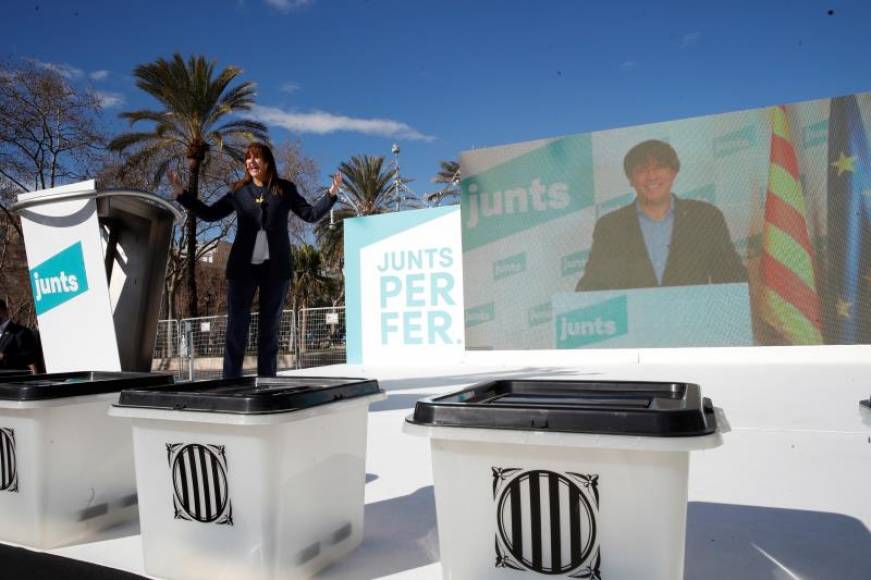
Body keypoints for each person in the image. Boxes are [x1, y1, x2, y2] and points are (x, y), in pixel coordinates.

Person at [169, 142, 340, 378]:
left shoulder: (285, 189)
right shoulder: (238, 191)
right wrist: (182, 195)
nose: (251, 162)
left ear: (268, 162)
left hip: (276, 268)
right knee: (236, 328)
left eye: (256, 158)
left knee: (269, 330)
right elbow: (209, 214)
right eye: (247, 159)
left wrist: (330, 196)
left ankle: (267, 382)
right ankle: (231, 382)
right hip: (243, 267)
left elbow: (310, 215)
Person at [576, 139, 746, 291]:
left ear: (674, 172)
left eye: (659, 167)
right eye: (641, 170)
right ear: (630, 179)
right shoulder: (611, 226)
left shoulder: (706, 217)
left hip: (693, 322)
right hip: (636, 324)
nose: (651, 176)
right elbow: (593, 286)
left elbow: (731, 277)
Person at [0, 299, 40, 374]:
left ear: (5, 311)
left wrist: (5, 357)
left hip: (14, 382)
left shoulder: (22, 332)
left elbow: (30, 358)